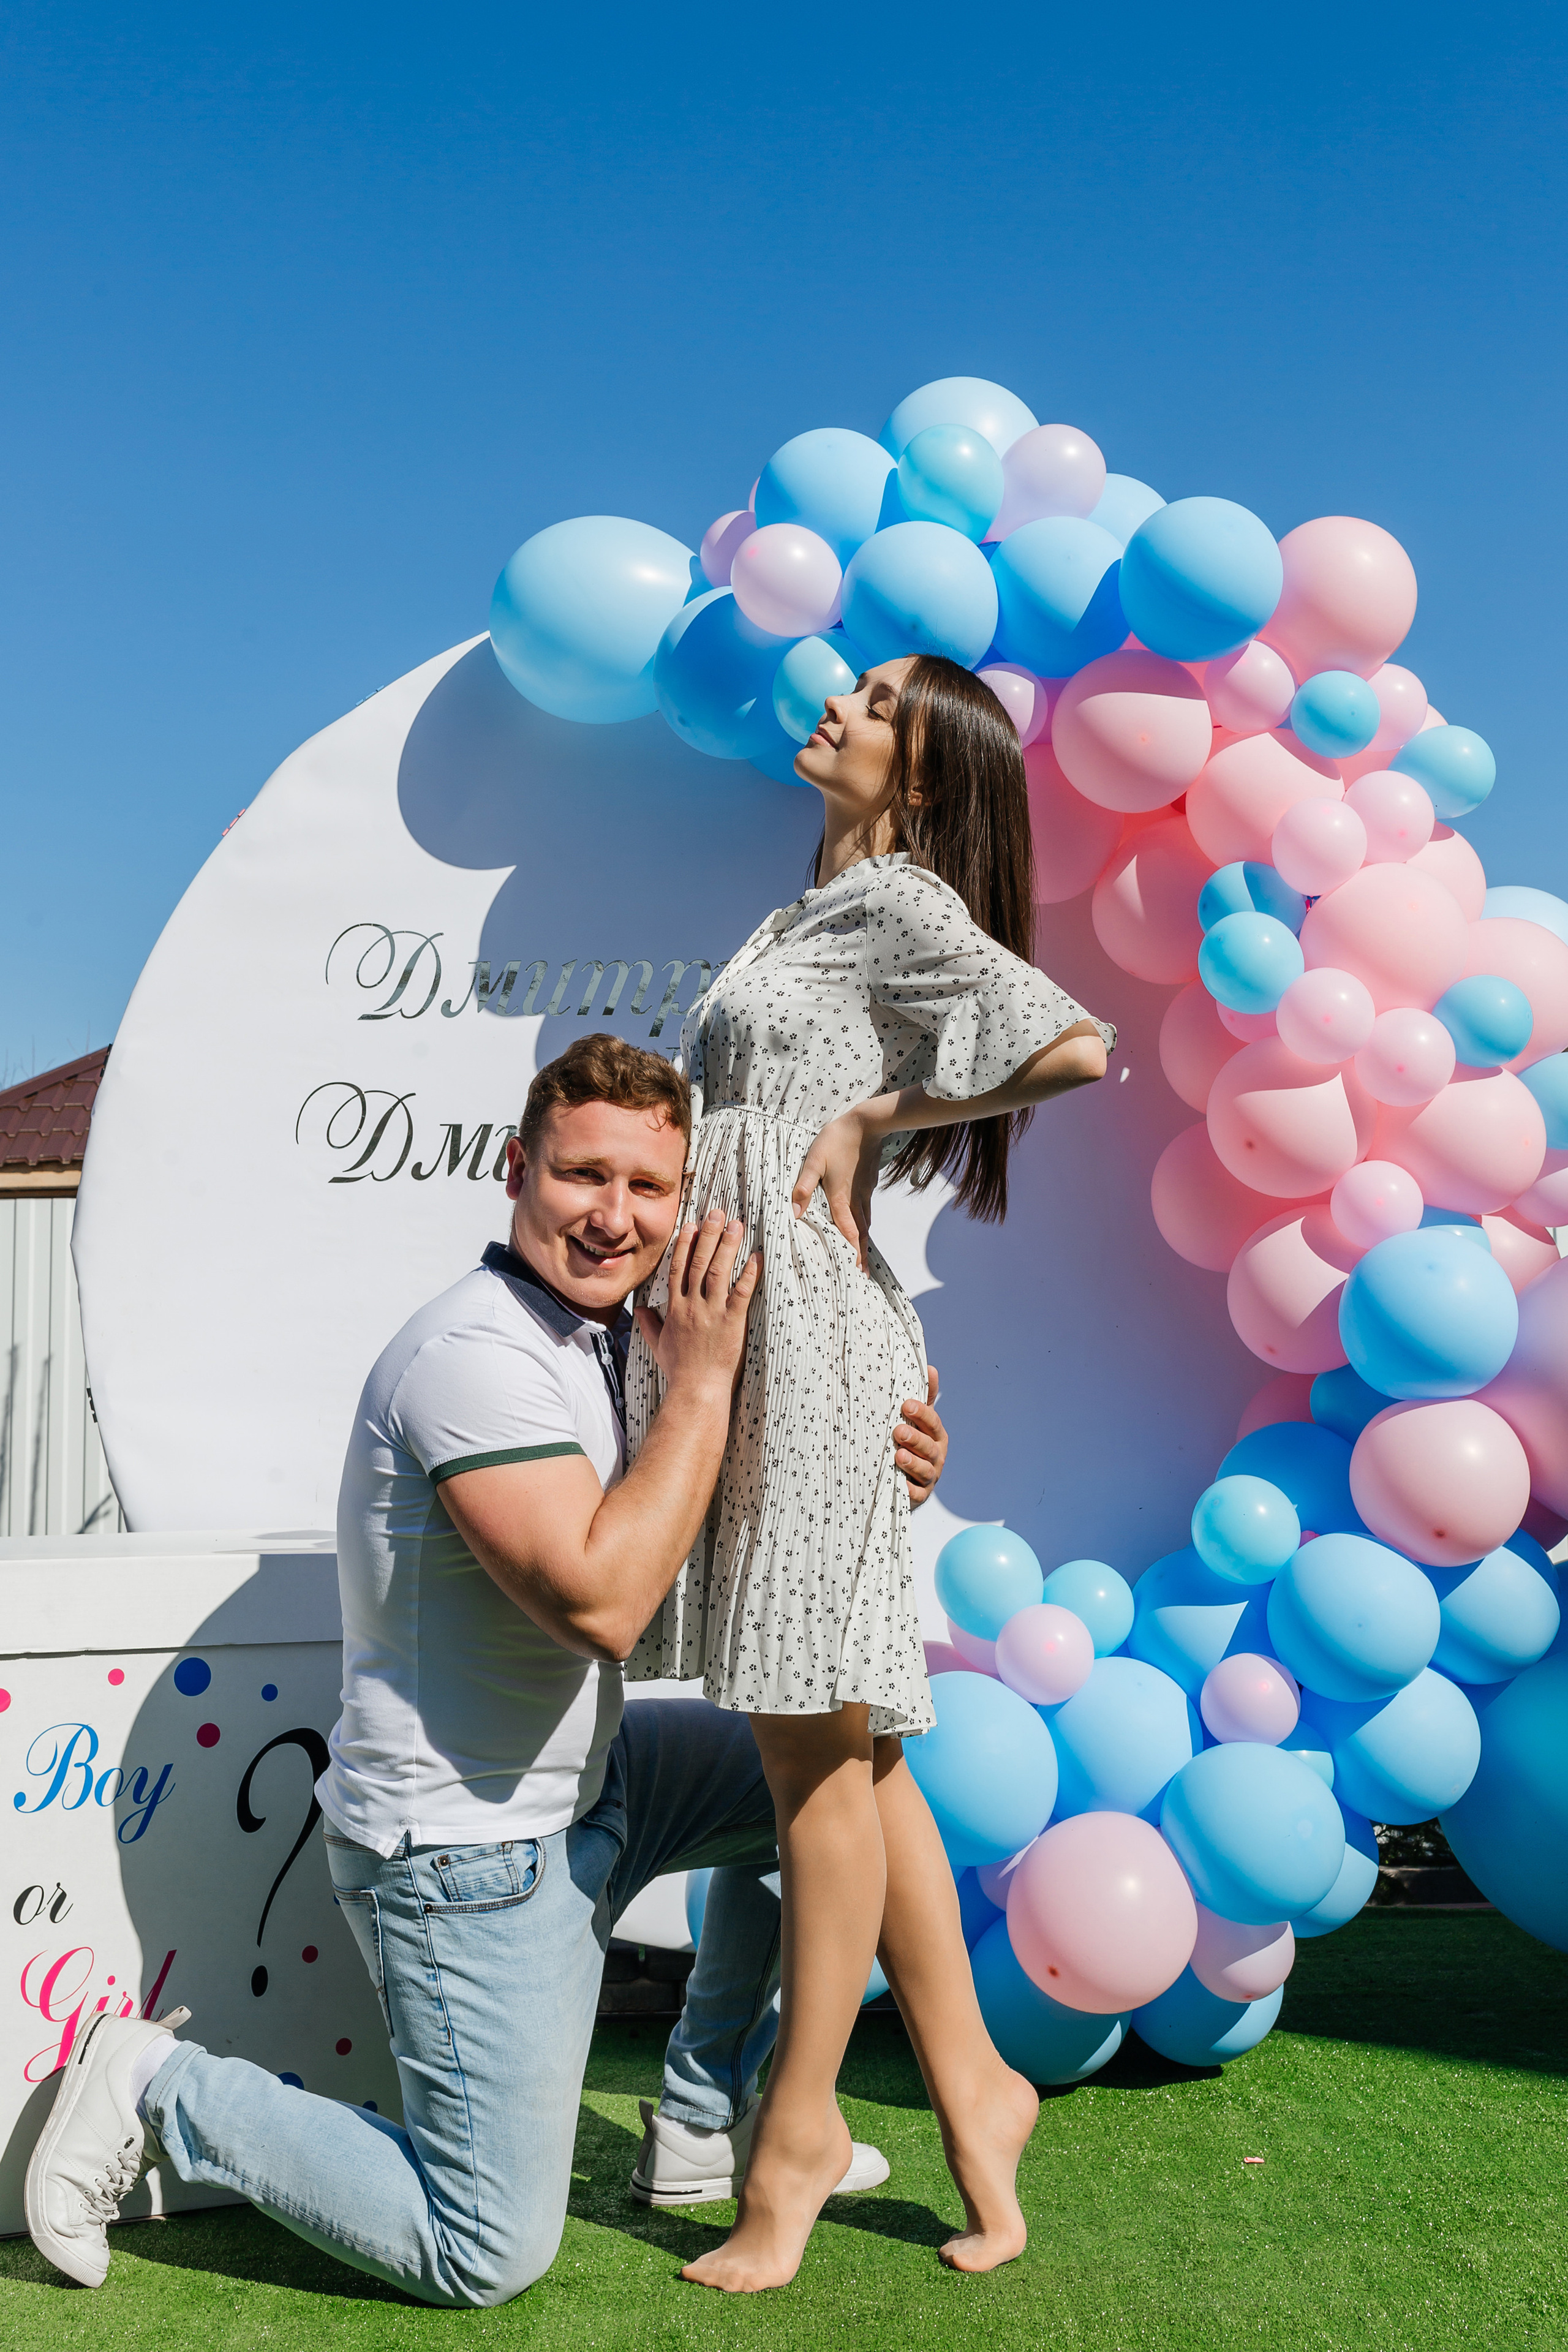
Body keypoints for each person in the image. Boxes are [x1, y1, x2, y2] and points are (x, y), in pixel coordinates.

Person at [24, 1033, 950, 2304]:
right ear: (515, 1169)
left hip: (592, 1783)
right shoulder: (475, 1356)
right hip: (465, 1859)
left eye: (648, 1188)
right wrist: (708, 1386)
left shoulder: (609, 1339)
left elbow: (723, 1524)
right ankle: (153, 2084)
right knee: (484, 2253)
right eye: (582, 1176)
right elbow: (607, 1602)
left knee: (836, 1780)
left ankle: (703, 2108)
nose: (614, 1218)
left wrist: (880, 1454)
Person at [625, 654, 1116, 2293]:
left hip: (816, 1349)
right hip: (757, 1341)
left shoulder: (903, 895)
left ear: (922, 770)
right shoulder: (805, 911)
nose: (838, 702)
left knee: (811, 1760)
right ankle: (978, 2082)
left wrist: (884, 1113)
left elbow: (1075, 1047)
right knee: (852, 1746)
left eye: (881, 700)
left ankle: (800, 2135)